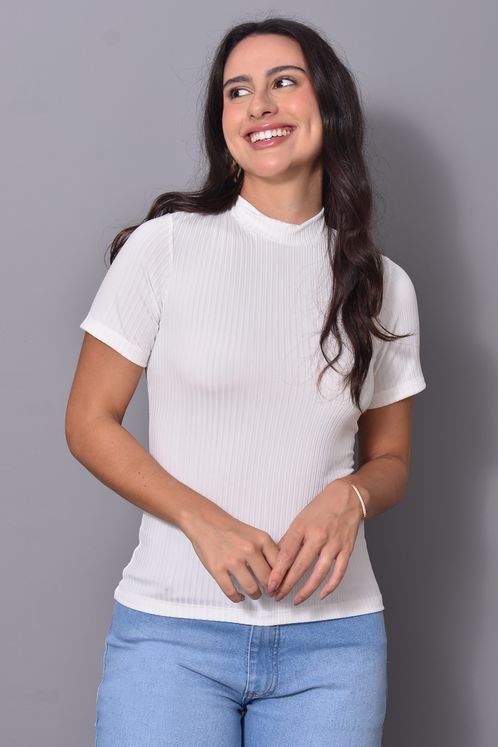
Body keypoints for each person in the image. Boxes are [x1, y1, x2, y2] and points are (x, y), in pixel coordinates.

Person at [65, 16, 427, 747]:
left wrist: (350, 496)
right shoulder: (164, 248)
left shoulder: (383, 285)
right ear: (222, 123)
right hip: (172, 635)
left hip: (334, 646)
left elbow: (390, 460)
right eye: (237, 91)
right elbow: (89, 422)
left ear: (328, 105)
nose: (259, 104)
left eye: (283, 82)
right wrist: (203, 520)